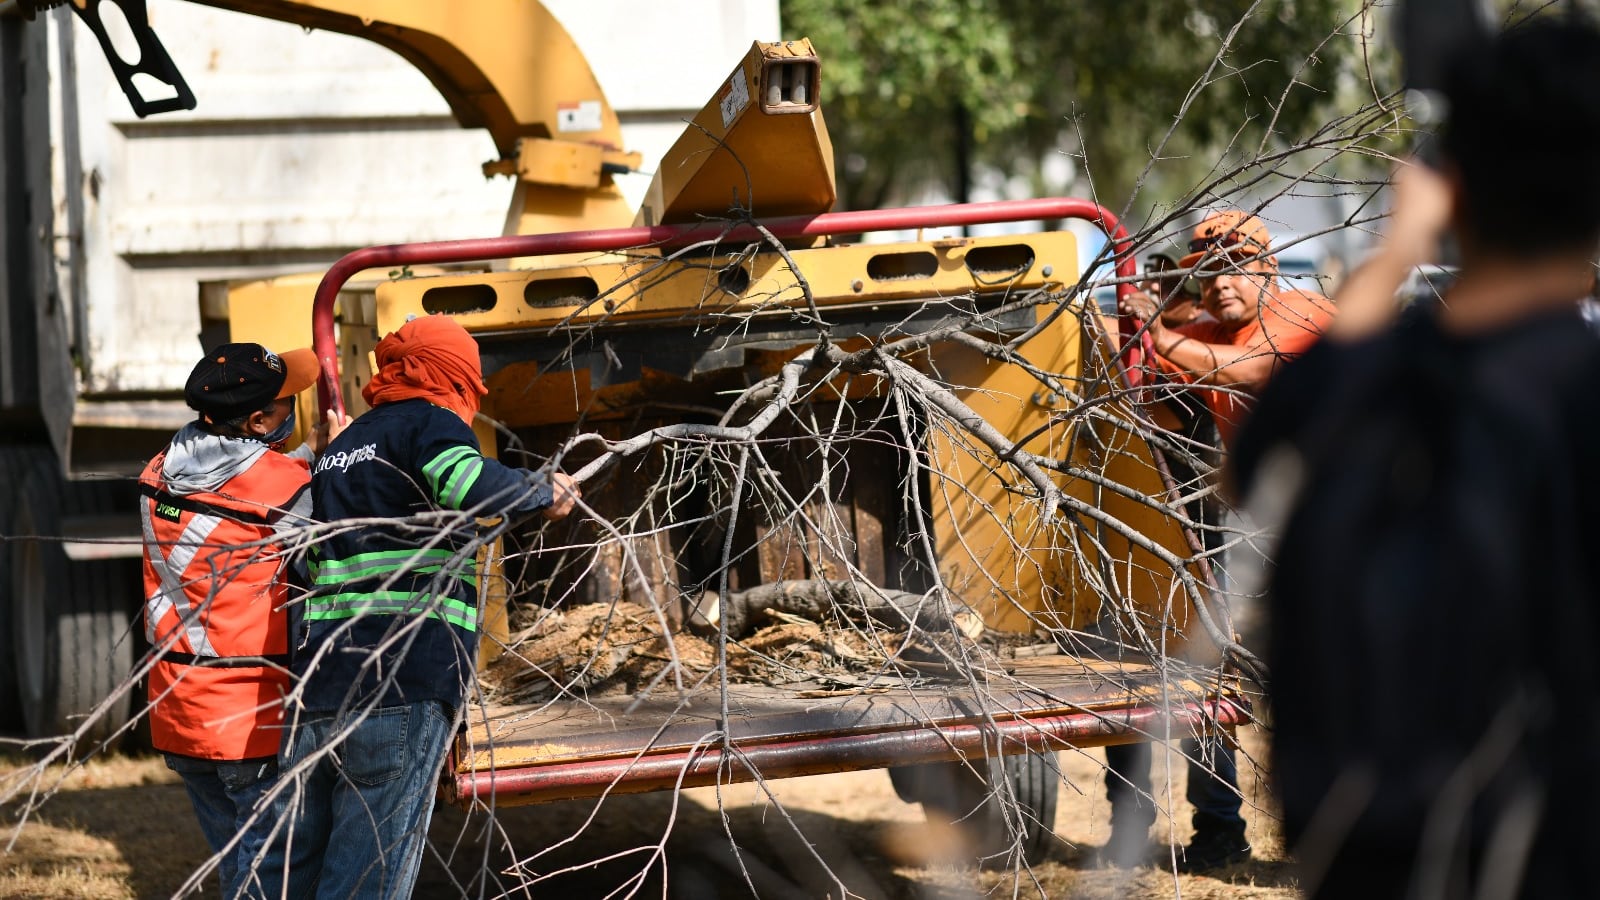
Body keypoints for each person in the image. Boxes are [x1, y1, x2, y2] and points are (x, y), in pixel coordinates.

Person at [1230, 17, 1600, 898]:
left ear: (1451, 191)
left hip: (1367, 855)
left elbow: (1248, 468)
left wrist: (1396, 250)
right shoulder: (1577, 391)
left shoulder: (1351, 385)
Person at [271, 314, 578, 899]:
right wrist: (543, 491)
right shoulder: (431, 422)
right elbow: (466, 484)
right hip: (399, 682)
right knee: (369, 882)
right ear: (452, 380)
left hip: (321, 687)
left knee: (308, 874)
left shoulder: (344, 446)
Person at [1103, 213, 1335, 872]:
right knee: (1180, 656)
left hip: (1337, 523)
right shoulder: (1203, 325)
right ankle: (1219, 833)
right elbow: (1149, 370)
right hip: (1261, 523)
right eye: (1208, 270)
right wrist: (1129, 317)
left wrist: (1155, 329)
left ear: (1269, 268)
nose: (1220, 281)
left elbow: (1238, 371)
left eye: (1236, 265)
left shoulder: (1306, 313)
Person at [139, 342, 347, 899]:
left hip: (179, 710)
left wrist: (303, 453)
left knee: (239, 864)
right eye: (286, 406)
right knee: (270, 881)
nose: (295, 409)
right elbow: (286, 515)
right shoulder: (282, 490)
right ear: (257, 421)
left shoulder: (161, 468)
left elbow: (232, 497)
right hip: (248, 721)